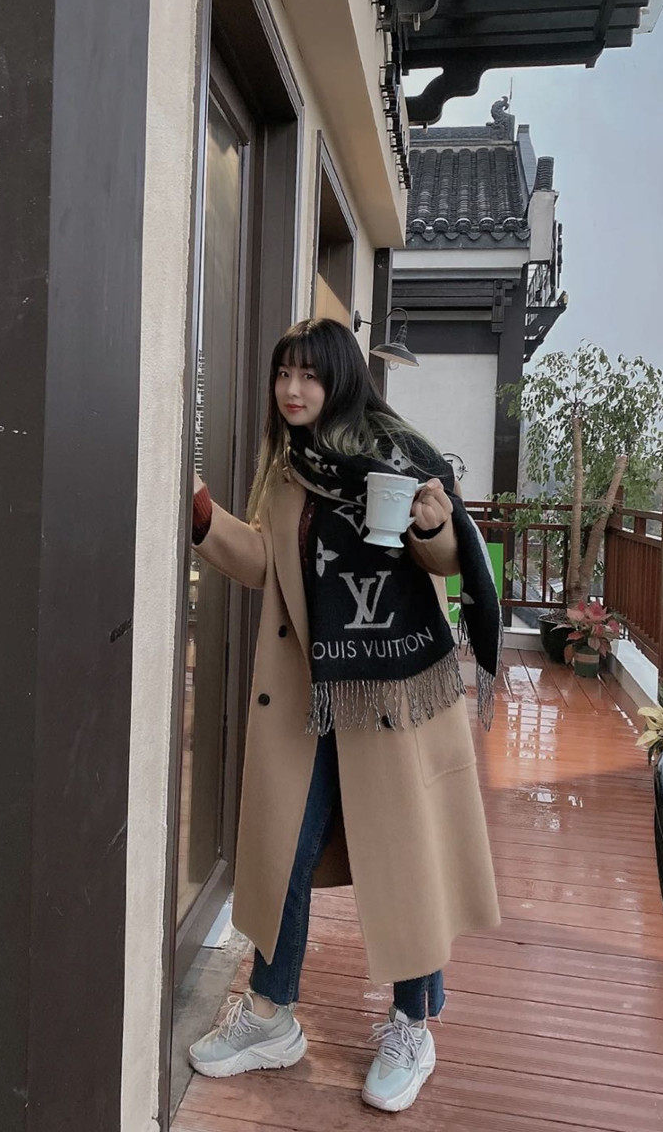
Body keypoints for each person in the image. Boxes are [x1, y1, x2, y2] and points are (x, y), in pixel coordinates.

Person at [186, 317, 501, 1113]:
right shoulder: (288, 470)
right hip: (312, 694)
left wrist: (435, 525)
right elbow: (265, 561)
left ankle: (412, 1024)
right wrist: (204, 518)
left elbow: (442, 556)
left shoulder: (398, 455)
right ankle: (270, 1015)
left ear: (341, 382)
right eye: (283, 374)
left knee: (407, 857)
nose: (292, 390)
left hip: (392, 694)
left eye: (310, 376)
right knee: (284, 852)